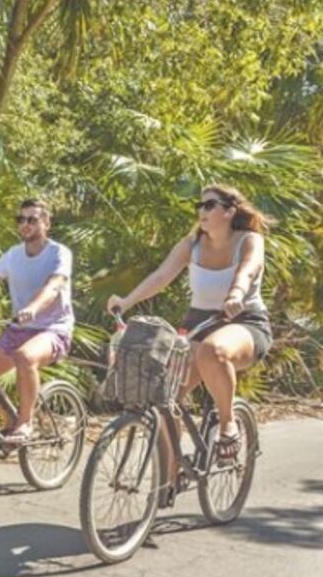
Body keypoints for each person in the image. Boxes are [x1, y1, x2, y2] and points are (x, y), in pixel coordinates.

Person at [107, 184, 273, 460]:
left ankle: (227, 422)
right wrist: (126, 302)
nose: (202, 211)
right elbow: (161, 277)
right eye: (200, 206)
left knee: (212, 351)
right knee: (161, 398)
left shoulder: (249, 240)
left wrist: (236, 293)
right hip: (199, 324)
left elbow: (248, 269)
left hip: (244, 321)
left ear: (230, 211)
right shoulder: (191, 245)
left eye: (210, 205)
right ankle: (171, 475)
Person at [0, 199, 74, 443]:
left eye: (32, 219)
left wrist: (32, 308)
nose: (25, 224)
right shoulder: (12, 256)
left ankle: (26, 423)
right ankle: (10, 417)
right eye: (21, 219)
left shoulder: (58, 253)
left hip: (53, 329)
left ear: (46, 223)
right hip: (20, 328)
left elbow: (54, 287)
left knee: (26, 357)